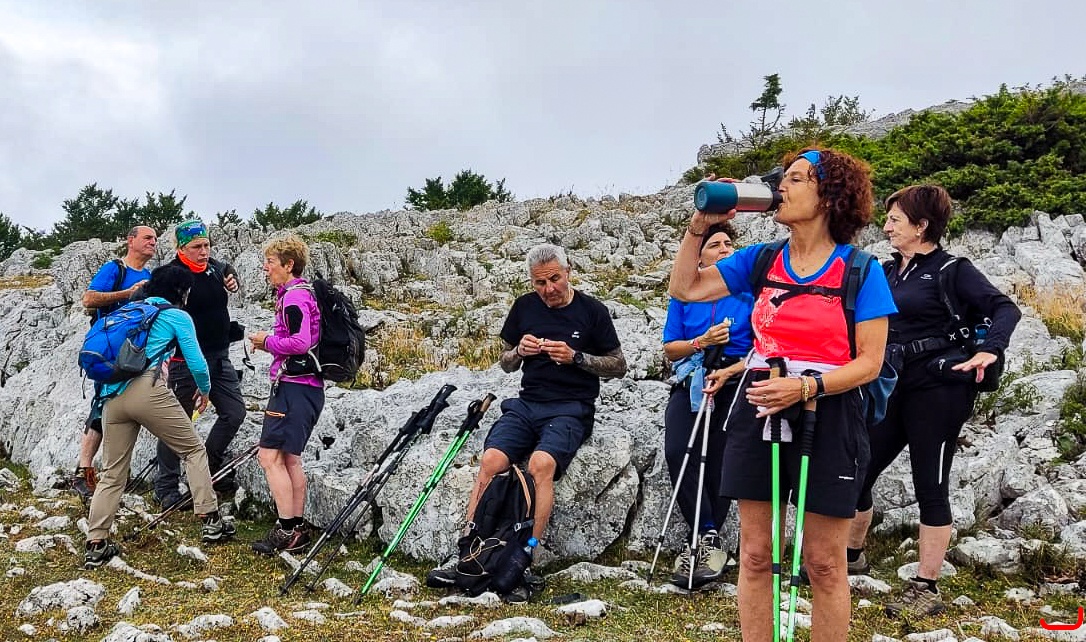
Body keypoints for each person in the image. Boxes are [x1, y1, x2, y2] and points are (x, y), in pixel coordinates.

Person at [670, 148, 897, 641]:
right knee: (754, 555)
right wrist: (698, 228)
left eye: (796, 179)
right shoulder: (762, 259)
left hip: (829, 410)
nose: (781, 188)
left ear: (829, 196)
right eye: (784, 178)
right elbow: (685, 289)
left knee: (824, 562)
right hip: (760, 405)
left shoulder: (861, 269)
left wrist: (806, 386)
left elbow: (870, 362)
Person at [850, 184, 1021, 617]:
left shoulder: (952, 269)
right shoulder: (886, 272)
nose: (886, 226)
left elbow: (1005, 308)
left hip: (940, 389)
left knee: (930, 481)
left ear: (922, 225)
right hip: (891, 384)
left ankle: (926, 586)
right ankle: (852, 556)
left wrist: (991, 349)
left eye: (895, 219)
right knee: (859, 467)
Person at [427, 243, 627, 601]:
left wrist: (577, 357)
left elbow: (618, 365)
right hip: (527, 404)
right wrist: (520, 351)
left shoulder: (592, 311)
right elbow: (505, 362)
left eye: (554, 279)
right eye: (540, 283)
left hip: (571, 408)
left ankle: (524, 557)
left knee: (541, 464)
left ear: (568, 272)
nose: (549, 289)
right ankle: (468, 551)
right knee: (491, 460)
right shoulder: (524, 307)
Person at [84, 265, 235, 569]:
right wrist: (205, 391)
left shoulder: (129, 311)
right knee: (193, 450)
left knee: (112, 473)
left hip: (112, 397)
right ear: (182, 292)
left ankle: (95, 544)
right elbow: (197, 363)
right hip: (148, 390)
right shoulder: (176, 315)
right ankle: (211, 521)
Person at [661, 222, 753, 589]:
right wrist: (702, 340)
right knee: (677, 450)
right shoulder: (684, 295)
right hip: (693, 378)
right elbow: (671, 348)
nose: (725, 249)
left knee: (719, 456)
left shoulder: (748, 292)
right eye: (715, 245)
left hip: (734, 379)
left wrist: (731, 370)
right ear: (698, 257)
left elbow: (764, 348)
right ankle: (706, 533)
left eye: (728, 243)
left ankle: (705, 541)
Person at [154, 219, 246, 509]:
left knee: (234, 412)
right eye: (197, 247)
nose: (204, 251)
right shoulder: (172, 276)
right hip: (185, 362)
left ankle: (208, 469)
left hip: (219, 357)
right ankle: (165, 486)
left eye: (207, 245)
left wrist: (231, 276)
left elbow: (225, 267)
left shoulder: (214, 268)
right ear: (181, 248)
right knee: (176, 423)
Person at [247, 235, 324, 556]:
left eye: (270, 262)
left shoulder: (294, 298)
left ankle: (287, 530)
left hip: (293, 387)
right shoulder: (303, 293)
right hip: (307, 388)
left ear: (289, 264)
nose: (266, 268)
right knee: (289, 458)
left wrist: (266, 341)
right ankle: (296, 529)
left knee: (268, 457)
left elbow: (300, 343)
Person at [70, 225, 158, 503]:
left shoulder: (150, 276)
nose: (153, 242)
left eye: (155, 239)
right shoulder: (115, 269)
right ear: (130, 241)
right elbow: (89, 299)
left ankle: (113, 473)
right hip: (109, 352)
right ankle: (83, 472)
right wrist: (127, 293)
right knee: (102, 407)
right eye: (147, 238)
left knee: (123, 412)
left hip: (137, 354)